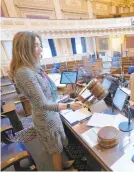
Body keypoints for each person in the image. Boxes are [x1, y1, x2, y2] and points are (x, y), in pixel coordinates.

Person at [10, 31, 83, 171]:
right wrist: (68, 105)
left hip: (51, 115)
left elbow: (47, 91)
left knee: (58, 145)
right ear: (25, 48)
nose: (40, 49)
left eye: (40, 45)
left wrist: (64, 94)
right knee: (55, 149)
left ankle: (62, 164)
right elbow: (42, 103)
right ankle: (58, 169)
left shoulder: (33, 67)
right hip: (45, 118)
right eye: (35, 45)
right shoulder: (24, 72)